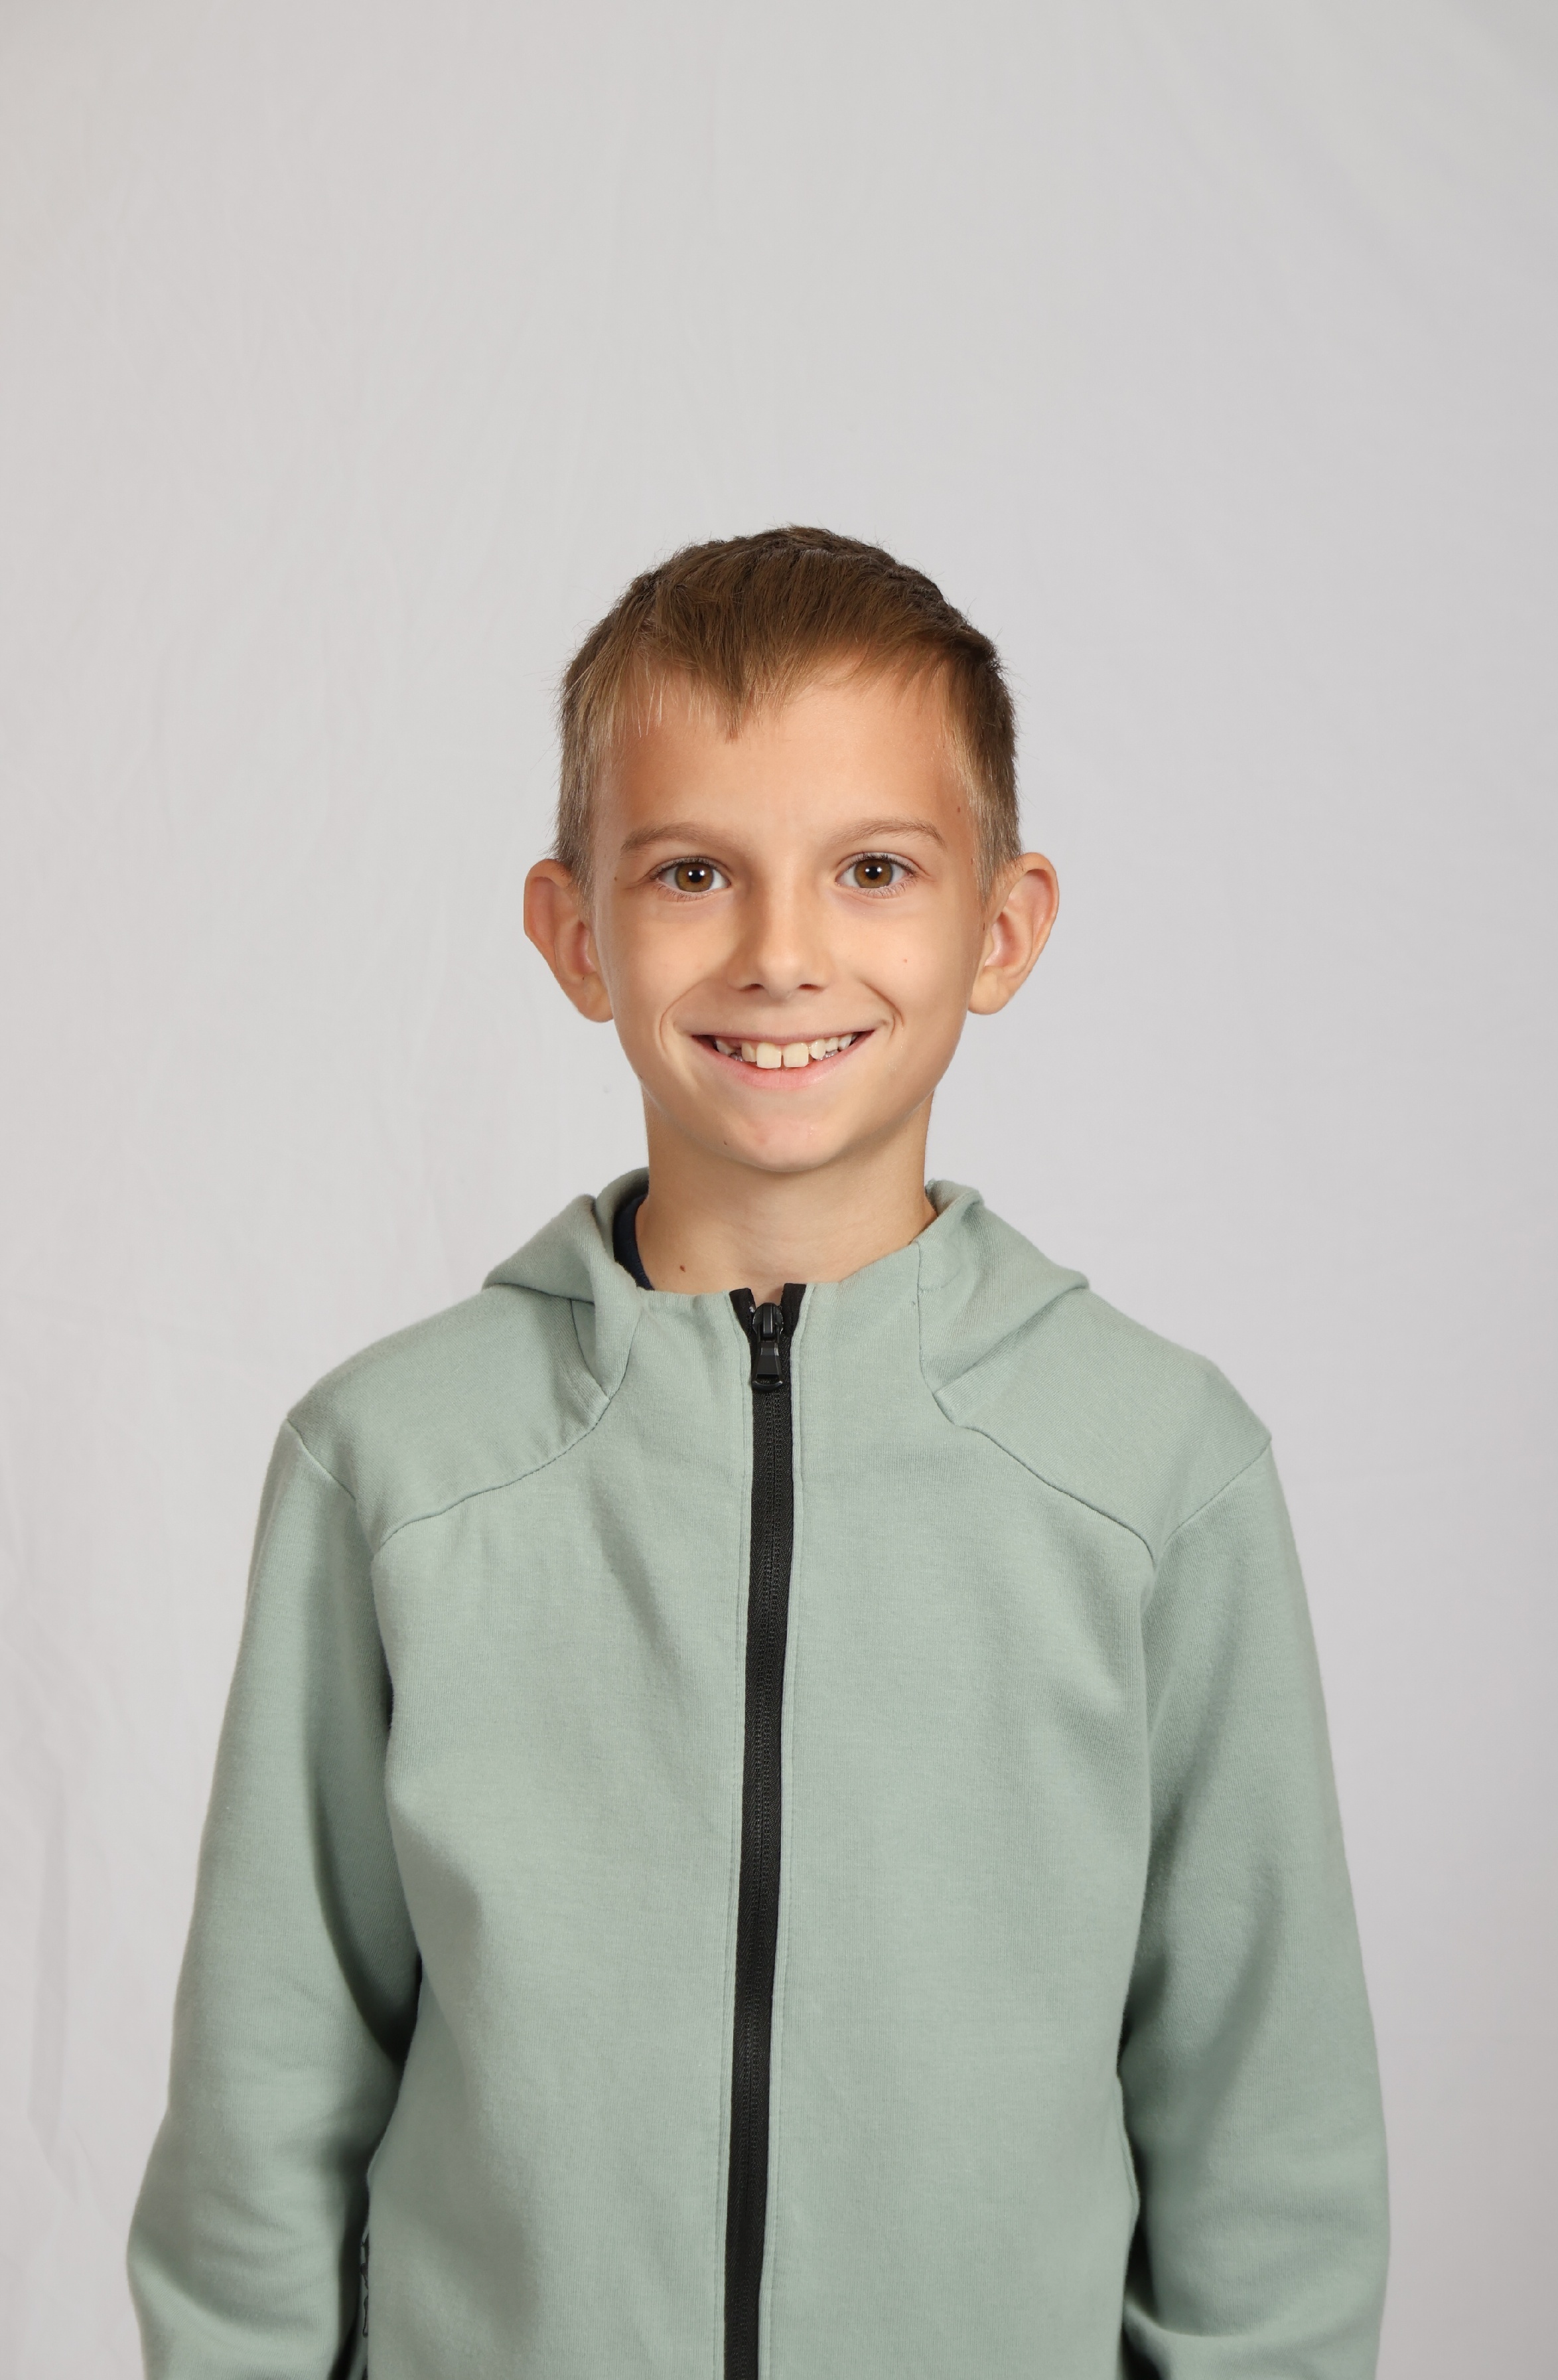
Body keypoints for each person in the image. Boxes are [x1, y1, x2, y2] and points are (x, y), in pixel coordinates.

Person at [129, 527, 1389, 2379]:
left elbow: (1265, 2147)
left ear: (1003, 925)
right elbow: (268, 2094)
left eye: (874, 869)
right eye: (693, 871)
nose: (782, 953)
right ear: (577, 931)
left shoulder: (1156, 1472)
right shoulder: (391, 1465)